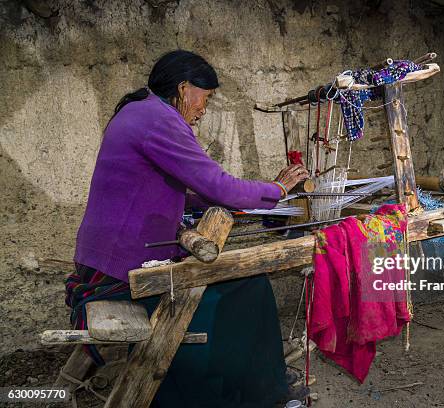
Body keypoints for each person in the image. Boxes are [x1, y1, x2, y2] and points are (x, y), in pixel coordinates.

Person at [65, 50, 310, 407]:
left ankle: (263, 378)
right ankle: (253, 390)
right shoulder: (160, 120)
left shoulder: (139, 112)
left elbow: (161, 190)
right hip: (121, 273)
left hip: (105, 261)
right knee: (247, 288)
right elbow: (218, 185)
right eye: (204, 98)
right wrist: (277, 189)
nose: (203, 109)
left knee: (241, 286)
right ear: (184, 88)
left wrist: (213, 202)